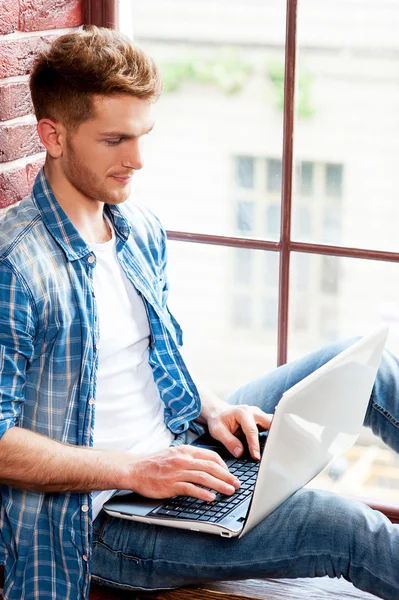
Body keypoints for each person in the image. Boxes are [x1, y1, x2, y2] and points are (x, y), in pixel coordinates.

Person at [0, 25, 398, 600]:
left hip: (181, 444)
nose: (137, 160)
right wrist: (135, 471)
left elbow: (148, 357)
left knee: (372, 368)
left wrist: (213, 408)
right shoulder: (16, 265)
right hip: (105, 522)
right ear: (52, 136)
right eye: (114, 140)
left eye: (143, 136)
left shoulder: (136, 227)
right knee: (351, 529)